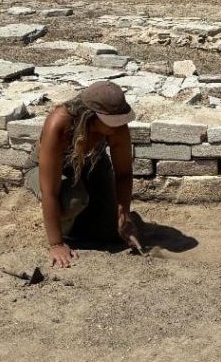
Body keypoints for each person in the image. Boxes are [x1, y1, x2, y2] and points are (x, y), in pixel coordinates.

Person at [24, 81, 142, 267]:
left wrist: (124, 215)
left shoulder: (117, 126)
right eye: (112, 122)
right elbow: (50, 191)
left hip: (91, 166)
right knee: (73, 201)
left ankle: (84, 220)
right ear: (89, 116)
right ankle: (66, 228)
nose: (118, 126)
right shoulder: (59, 123)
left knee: (112, 234)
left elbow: (124, 174)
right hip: (46, 170)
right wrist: (56, 244)